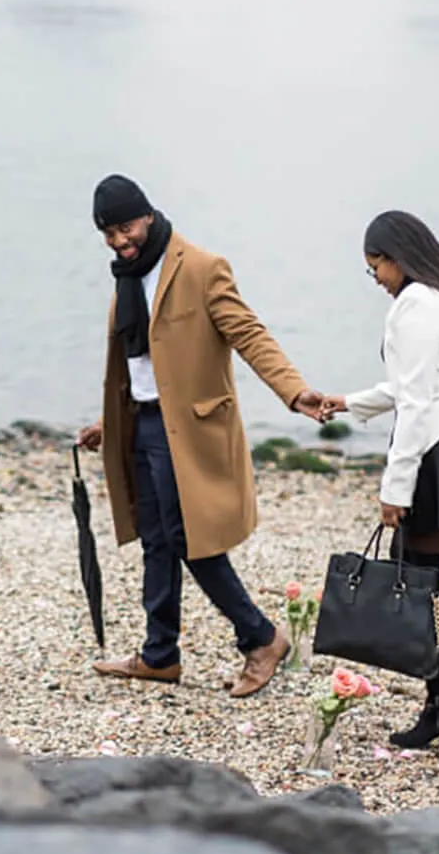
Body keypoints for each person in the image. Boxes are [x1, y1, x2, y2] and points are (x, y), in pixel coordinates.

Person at [77, 174, 327, 698]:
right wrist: (110, 421)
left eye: (125, 229)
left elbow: (248, 333)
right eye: (108, 234)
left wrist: (294, 391)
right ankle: (159, 655)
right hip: (141, 423)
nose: (120, 242)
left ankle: (262, 638)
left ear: (147, 215)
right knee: (156, 541)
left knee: (191, 539)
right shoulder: (126, 275)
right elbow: (140, 364)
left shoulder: (201, 268)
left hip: (186, 430)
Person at [319, 210, 439, 751]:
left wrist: (395, 488)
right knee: (424, 574)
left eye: (376, 267)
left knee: (416, 574)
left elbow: (417, 401)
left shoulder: (413, 306)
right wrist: (352, 403)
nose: (377, 280)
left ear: (398, 256)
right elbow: (422, 384)